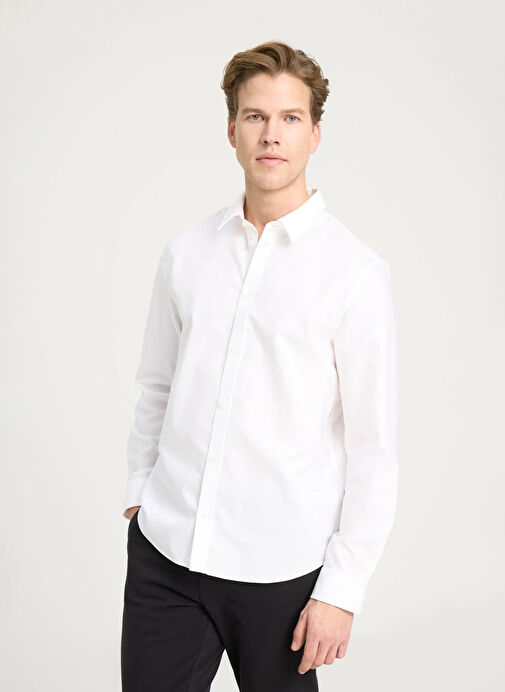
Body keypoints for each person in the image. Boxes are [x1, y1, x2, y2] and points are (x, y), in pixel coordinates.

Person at [120, 40, 398, 692]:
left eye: (290, 117)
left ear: (314, 134)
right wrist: (139, 493)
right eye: (255, 116)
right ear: (231, 130)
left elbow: (373, 448)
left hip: (281, 572)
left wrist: (341, 590)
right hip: (167, 554)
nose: (271, 134)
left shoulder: (355, 274)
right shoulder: (187, 253)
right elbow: (157, 387)